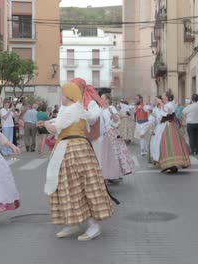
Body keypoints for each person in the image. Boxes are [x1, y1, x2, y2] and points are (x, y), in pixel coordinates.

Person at [44, 83, 113, 241]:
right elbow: (89, 117)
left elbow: (56, 128)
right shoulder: (77, 108)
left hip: (73, 149)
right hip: (69, 149)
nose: (61, 97)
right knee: (68, 186)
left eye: (62, 94)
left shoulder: (73, 109)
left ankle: (93, 226)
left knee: (78, 186)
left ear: (68, 95)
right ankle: (73, 222)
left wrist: (48, 124)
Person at [152, 91, 191, 173]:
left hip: (169, 126)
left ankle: (173, 165)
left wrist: (160, 103)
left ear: (167, 97)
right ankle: (167, 165)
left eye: (163, 95)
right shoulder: (166, 104)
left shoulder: (170, 104)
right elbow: (162, 114)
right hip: (164, 126)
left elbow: (168, 111)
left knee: (170, 145)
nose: (162, 97)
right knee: (164, 145)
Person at [100, 94, 135, 183]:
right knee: (106, 156)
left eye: (102, 98)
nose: (100, 99)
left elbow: (117, 120)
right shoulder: (100, 109)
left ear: (107, 100)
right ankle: (108, 174)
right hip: (103, 135)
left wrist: (112, 113)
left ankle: (113, 175)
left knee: (114, 155)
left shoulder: (111, 108)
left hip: (111, 133)